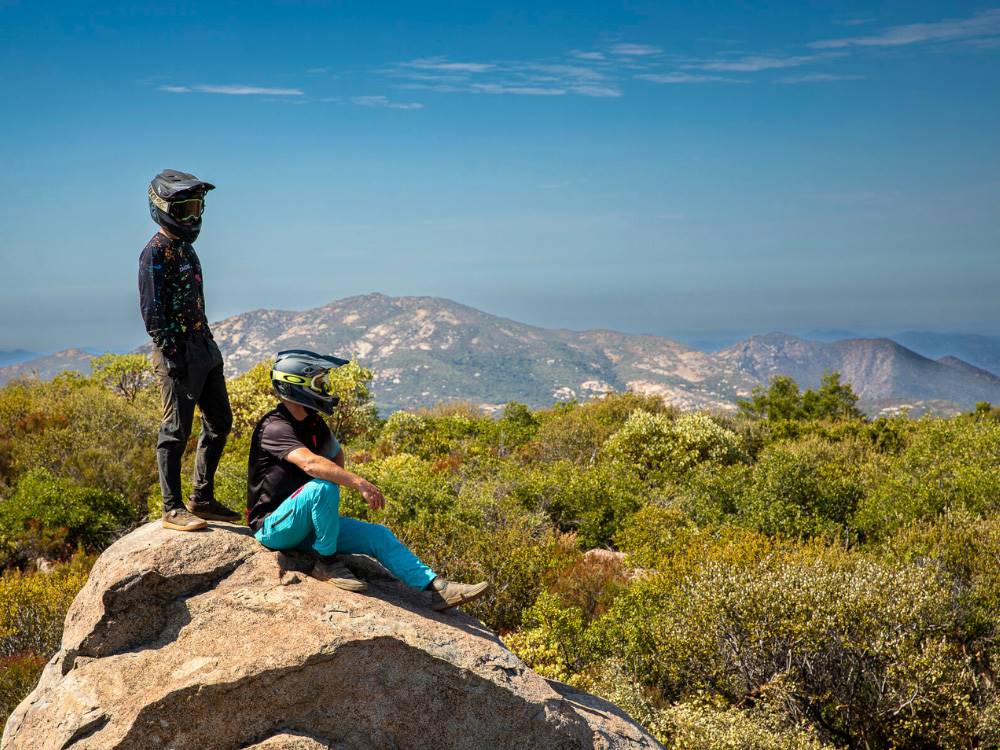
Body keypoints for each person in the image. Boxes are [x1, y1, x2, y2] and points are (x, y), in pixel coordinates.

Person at [247, 349, 489, 611]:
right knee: (322, 487)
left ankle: (438, 589)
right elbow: (311, 463)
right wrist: (358, 483)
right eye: (319, 383)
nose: (325, 388)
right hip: (272, 527)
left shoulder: (314, 422)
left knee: (378, 535)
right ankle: (326, 564)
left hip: (305, 526)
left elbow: (334, 453)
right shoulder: (275, 426)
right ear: (295, 384)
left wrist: (326, 509)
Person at [139, 169, 240, 531]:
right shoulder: (154, 252)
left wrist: (208, 344)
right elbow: (152, 313)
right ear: (163, 209)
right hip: (178, 354)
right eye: (185, 210)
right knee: (175, 431)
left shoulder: (187, 249)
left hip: (204, 347)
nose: (193, 217)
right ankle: (172, 508)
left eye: (197, 208)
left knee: (221, 422)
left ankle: (202, 497)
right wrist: (172, 355)